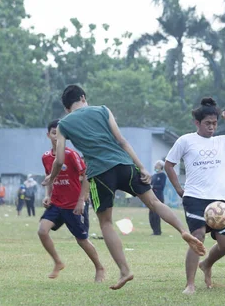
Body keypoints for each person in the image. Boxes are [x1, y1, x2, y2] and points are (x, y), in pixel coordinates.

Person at [44, 84, 206, 291]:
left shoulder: (65, 124)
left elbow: (59, 160)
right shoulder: (103, 110)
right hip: (124, 165)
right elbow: (121, 140)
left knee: (106, 223)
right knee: (154, 203)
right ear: (83, 97)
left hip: (99, 173)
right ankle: (184, 231)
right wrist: (141, 167)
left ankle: (124, 270)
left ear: (66, 108)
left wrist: (51, 177)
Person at [165, 97, 225, 295]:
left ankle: (206, 265)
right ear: (196, 123)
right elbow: (169, 165)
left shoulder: (224, 141)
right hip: (195, 198)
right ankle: (190, 284)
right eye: (207, 123)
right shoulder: (185, 141)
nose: (211, 127)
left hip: (219, 202)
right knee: (197, 238)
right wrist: (179, 189)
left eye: (214, 123)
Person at [39, 119, 106, 281]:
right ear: (48, 135)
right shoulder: (46, 157)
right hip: (56, 202)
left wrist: (81, 201)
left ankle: (99, 268)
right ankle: (58, 262)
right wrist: (47, 195)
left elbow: (85, 177)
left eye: (59, 133)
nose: (56, 137)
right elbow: (50, 177)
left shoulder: (71, 155)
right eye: (53, 133)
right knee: (42, 231)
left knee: (81, 239)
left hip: (73, 204)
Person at [149, 160, 167, 235]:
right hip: (152, 197)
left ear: (161, 166)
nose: (155, 166)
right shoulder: (153, 176)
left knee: (156, 215)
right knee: (151, 215)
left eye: (157, 165)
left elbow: (161, 186)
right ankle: (154, 230)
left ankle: (157, 231)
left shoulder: (162, 175)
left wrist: (153, 187)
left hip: (159, 197)